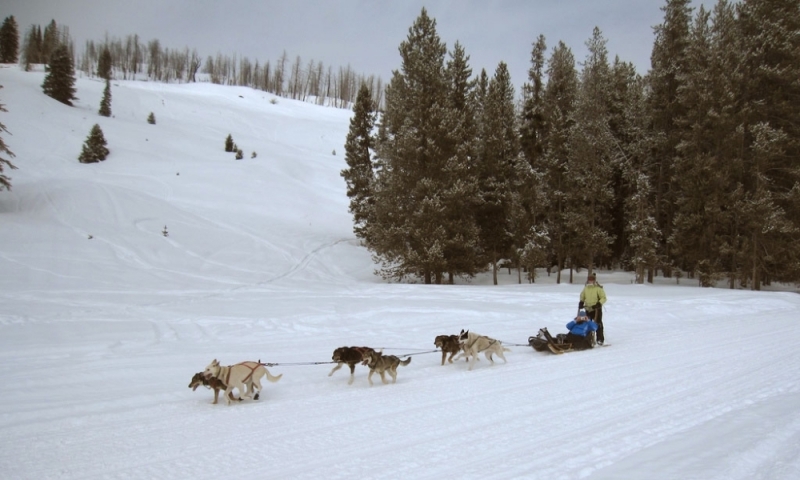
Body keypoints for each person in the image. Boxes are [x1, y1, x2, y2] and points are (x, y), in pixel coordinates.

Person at [579, 272, 607, 344]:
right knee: (587, 323)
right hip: (588, 308)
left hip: (596, 309)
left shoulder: (598, 288)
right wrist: (581, 302)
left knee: (597, 323)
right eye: (589, 279)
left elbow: (604, 298)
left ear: (594, 280)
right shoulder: (586, 288)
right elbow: (582, 296)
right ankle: (588, 338)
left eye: (592, 279)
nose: (590, 281)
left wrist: (599, 303)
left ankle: (600, 339)